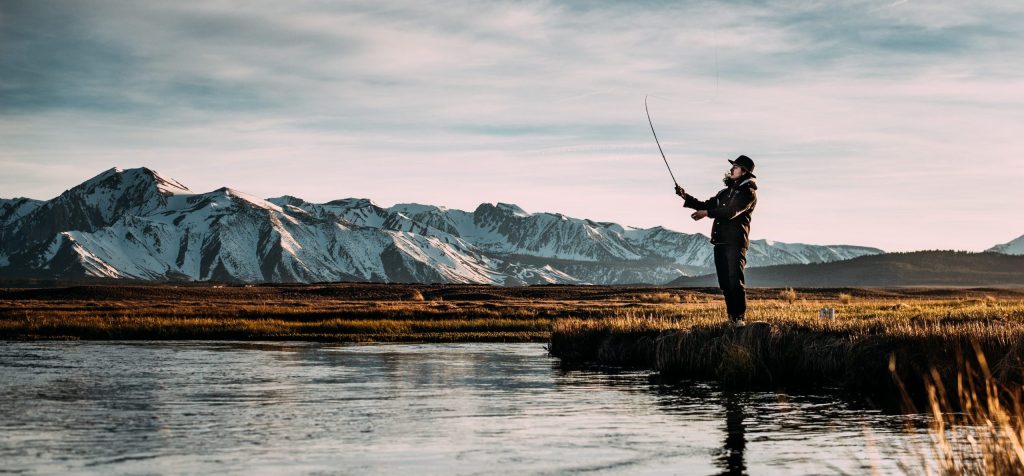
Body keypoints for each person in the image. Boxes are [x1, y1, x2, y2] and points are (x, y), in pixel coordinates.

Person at [675, 155, 758, 327]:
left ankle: (739, 318)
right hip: (720, 242)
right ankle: (732, 319)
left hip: (735, 243)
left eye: (735, 167)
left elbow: (731, 212)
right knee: (725, 283)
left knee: (735, 281)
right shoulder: (725, 192)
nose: (731, 169)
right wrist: (685, 197)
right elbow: (707, 204)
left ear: (744, 172)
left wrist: (706, 213)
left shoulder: (748, 193)